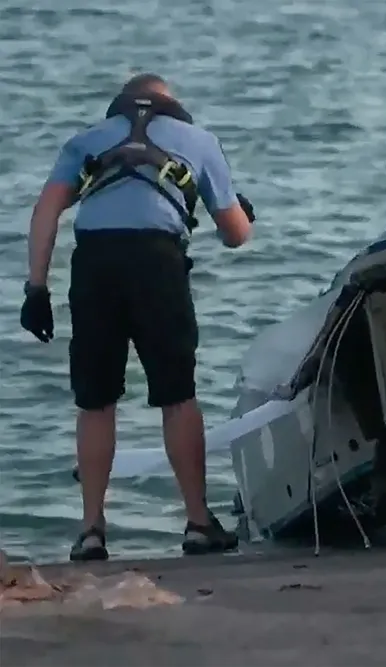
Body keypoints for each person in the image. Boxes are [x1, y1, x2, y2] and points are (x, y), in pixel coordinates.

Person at [19, 73, 256, 561]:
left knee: (95, 401)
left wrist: (36, 288)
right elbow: (236, 235)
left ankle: (90, 531)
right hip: (157, 262)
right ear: (173, 105)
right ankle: (197, 523)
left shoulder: (84, 140)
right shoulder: (199, 141)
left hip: (94, 264)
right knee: (177, 395)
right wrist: (242, 213)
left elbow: (46, 212)